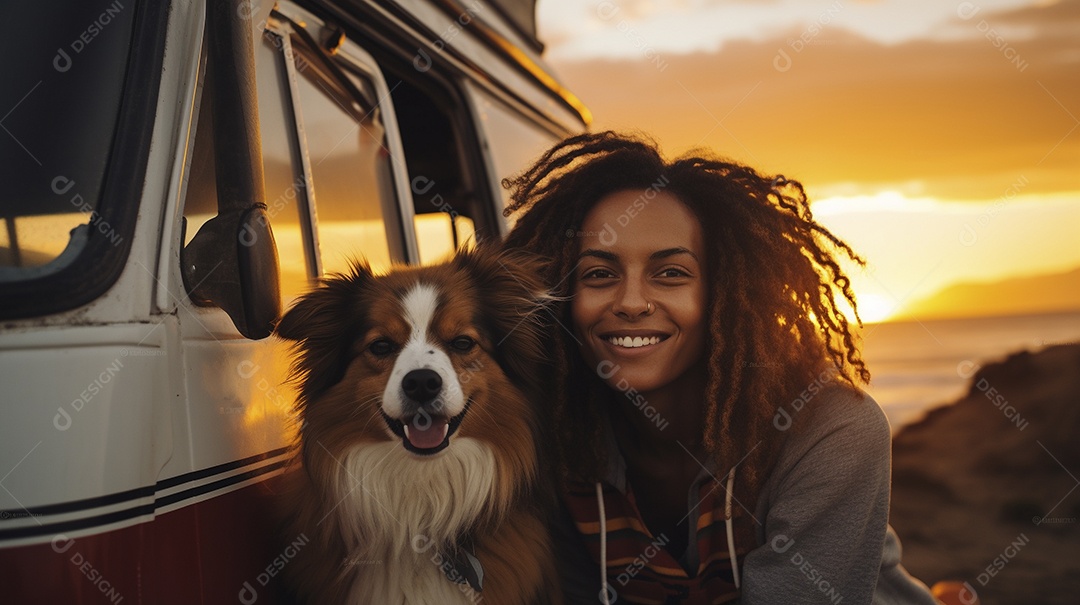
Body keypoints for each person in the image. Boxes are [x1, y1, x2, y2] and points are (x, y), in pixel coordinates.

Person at [501, 131, 942, 604]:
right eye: (599, 274)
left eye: (670, 273)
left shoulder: (832, 428)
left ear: (724, 294)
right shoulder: (554, 433)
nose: (630, 302)